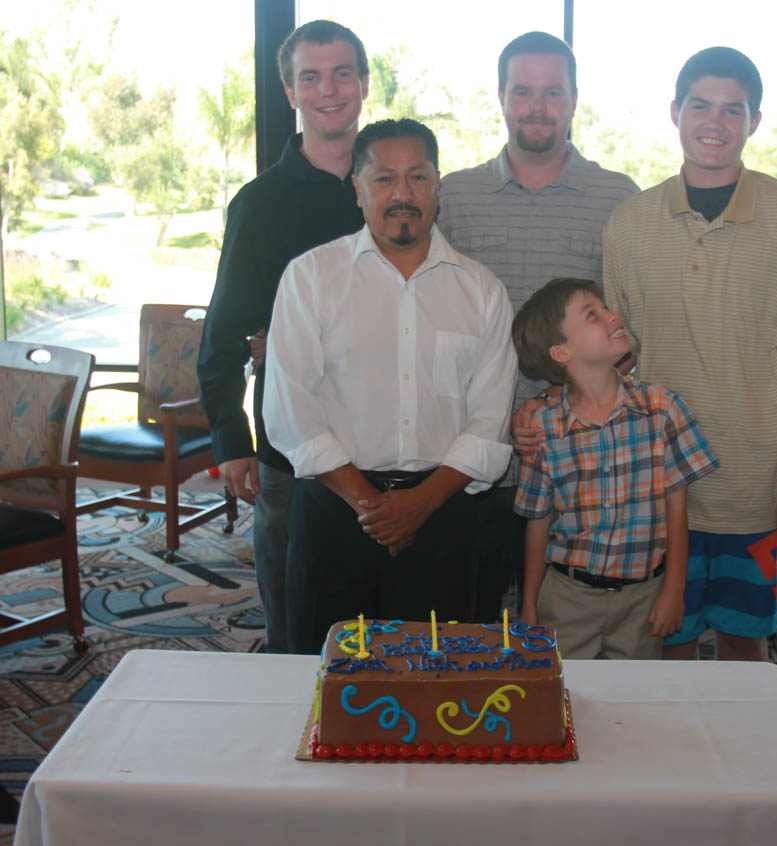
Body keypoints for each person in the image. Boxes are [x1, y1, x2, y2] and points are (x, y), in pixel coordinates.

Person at [598, 47, 777, 660]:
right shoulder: (627, 225)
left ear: (755, 121)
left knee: (746, 638)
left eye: (732, 110)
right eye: (700, 106)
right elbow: (618, 359)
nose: (714, 122)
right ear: (675, 112)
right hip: (659, 483)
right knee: (669, 637)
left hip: (756, 481)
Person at [263, 119, 518, 654]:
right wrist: (371, 504)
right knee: (327, 682)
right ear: (357, 188)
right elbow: (292, 411)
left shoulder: (482, 290)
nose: (402, 194)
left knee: (441, 688)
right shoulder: (311, 278)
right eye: (383, 179)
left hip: (444, 516)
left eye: (417, 177)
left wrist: (420, 504)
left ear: (438, 186)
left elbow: (490, 422)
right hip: (334, 512)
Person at [438, 31, 639, 621]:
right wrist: (502, 412)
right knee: (466, 622)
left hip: (580, 463)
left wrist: (553, 401)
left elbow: (627, 330)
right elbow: (436, 327)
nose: (537, 105)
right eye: (523, 90)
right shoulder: (453, 197)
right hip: (473, 455)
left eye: (553, 92)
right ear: (500, 96)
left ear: (575, 99)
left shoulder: (618, 199)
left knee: (564, 627)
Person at [197, 21, 369, 652]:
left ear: (364, 84)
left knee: (380, 620)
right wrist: (231, 443)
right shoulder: (259, 204)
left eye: (342, 73)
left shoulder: (398, 192)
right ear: (291, 93)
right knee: (295, 625)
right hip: (287, 451)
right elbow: (220, 338)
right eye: (311, 77)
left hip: (389, 444)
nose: (329, 89)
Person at [512, 278, 717, 658]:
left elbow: (677, 510)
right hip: (567, 598)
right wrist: (529, 605)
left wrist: (674, 591)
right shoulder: (544, 429)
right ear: (561, 352)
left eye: (605, 307)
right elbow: (538, 524)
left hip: (642, 597)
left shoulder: (663, 409)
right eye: (593, 314)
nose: (612, 316)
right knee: (564, 698)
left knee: (632, 704)